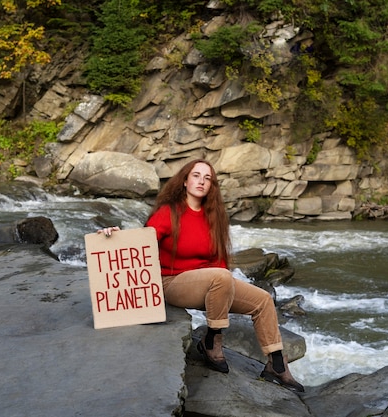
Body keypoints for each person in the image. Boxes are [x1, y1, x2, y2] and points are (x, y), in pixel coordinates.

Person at [98, 159, 304, 392]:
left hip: (213, 283)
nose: (201, 181)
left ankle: (276, 365)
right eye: (196, 175)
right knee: (221, 276)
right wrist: (114, 236)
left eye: (208, 178)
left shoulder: (214, 217)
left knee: (263, 300)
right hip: (173, 283)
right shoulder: (169, 212)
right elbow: (141, 242)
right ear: (185, 181)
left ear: (211, 186)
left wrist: (226, 289)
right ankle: (212, 341)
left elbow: (220, 264)